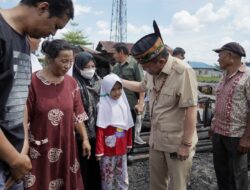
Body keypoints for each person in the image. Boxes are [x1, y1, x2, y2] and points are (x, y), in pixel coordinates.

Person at [0, 0, 74, 189]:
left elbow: (18, 103)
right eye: (55, 26)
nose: (52, 34)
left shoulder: (23, 41)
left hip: (15, 161)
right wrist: (14, 158)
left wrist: (22, 149)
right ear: (43, 7)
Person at [121, 20, 198, 190]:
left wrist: (185, 145)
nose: (146, 71)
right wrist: (119, 81)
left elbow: (191, 109)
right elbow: (141, 86)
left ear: (161, 61)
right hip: (156, 141)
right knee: (156, 184)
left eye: (147, 67)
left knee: (177, 185)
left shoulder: (183, 72)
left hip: (176, 143)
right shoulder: (152, 71)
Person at [23, 39, 91, 190]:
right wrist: (24, 147)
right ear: (49, 59)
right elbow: (24, 119)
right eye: (64, 61)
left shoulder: (71, 83)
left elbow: (77, 114)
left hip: (67, 146)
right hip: (40, 148)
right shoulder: (32, 82)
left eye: (71, 61)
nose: (67, 65)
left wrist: (85, 139)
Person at [211, 42, 250, 190]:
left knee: (237, 175)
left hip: (237, 136)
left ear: (231, 56)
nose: (218, 59)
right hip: (219, 133)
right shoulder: (224, 76)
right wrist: (213, 126)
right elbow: (220, 102)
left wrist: (247, 138)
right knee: (221, 172)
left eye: (220, 55)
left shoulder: (247, 76)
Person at [95, 73, 133, 190]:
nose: (117, 92)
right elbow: (100, 129)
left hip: (121, 146)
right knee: (108, 176)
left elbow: (128, 125)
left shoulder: (123, 104)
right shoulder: (102, 105)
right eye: (113, 89)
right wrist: (99, 150)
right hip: (107, 150)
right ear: (106, 89)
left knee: (122, 174)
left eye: (119, 89)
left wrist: (129, 142)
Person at [73, 51, 102, 190]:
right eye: (86, 67)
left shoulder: (99, 81)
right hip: (80, 133)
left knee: (97, 165)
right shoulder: (73, 83)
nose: (91, 70)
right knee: (83, 165)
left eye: (92, 66)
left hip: (98, 129)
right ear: (78, 68)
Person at [112, 42, 145, 145]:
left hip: (130, 104)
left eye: (115, 53)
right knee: (119, 128)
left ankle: (130, 150)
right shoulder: (116, 66)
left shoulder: (134, 64)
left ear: (121, 52)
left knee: (130, 128)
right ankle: (120, 148)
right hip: (117, 104)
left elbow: (142, 86)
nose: (114, 56)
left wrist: (140, 104)